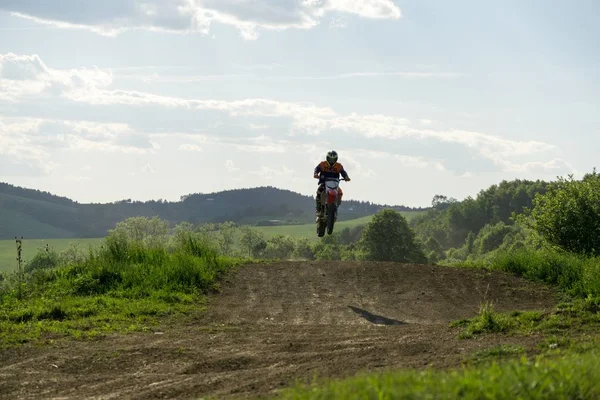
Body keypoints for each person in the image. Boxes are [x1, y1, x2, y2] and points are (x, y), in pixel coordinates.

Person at [313, 150, 351, 216]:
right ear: (327, 158)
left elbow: (343, 172)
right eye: (330, 159)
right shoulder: (323, 164)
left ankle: (335, 206)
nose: (331, 161)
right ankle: (318, 209)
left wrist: (346, 177)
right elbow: (317, 169)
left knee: (340, 192)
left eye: (333, 159)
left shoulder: (339, 166)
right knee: (319, 191)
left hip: (334, 184)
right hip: (324, 183)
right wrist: (316, 173)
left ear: (336, 159)